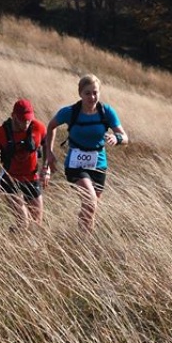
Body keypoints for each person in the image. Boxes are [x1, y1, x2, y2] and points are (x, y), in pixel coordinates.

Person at [44, 74, 128, 233]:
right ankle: (83, 239)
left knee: (91, 208)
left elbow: (125, 138)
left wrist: (116, 138)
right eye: (87, 93)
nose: (92, 97)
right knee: (90, 201)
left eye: (95, 92)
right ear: (80, 93)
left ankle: (82, 241)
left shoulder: (106, 112)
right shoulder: (70, 112)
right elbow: (51, 126)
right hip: (76, 163)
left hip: (99, 164)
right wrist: (49, 152)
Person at [0, 99, 49, 231]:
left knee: (36, 224)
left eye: (28, 119)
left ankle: (20, 244)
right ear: (13, 116)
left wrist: (46, 168)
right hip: (9, 179)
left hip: (31, 178)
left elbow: (47, 147)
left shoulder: (39, 127)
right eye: (22, 120)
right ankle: (12, 241)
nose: (26, 123)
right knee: (23, 221)